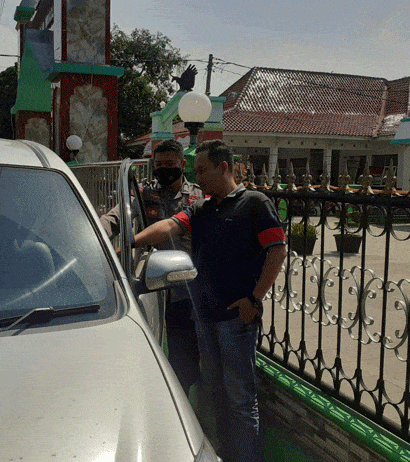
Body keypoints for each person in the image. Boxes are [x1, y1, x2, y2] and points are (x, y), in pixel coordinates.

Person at [131, 139, 287, 462]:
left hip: (236, 321)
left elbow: (278, 250)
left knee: (241, 400)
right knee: (216, 393)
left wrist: (254, 299)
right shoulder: (202, 209)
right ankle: (227, 454)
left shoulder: (254, 203)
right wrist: (131, 241)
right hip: (206, 319)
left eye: (202, 170)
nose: (197, 176)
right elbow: (168, 226)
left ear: (224, 167)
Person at [100, 139, 203, 397]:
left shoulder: (198, 197)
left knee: (184, 354)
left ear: (183, 164)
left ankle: (181, 398)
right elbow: (116, 216)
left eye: (170, 164)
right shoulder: (144, 193)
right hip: (151, 286)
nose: (164, 169)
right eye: (159, 165)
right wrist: (97, 231)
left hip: (186, 288)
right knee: (149, 344)